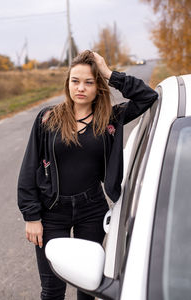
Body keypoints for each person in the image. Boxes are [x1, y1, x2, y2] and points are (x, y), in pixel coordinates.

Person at [17, 50, 158, 300]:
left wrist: (108, 72)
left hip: (91, 209)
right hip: (52, 212)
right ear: (67, 83)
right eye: (75, 81)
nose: (80, 88)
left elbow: (147, 96)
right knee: (52, 291)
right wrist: (31, 216)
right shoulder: (48, 118)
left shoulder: (110, 118)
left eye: (89, 82)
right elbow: (29, 167)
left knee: (88, 289)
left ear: (98, 87)